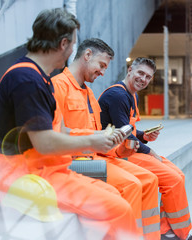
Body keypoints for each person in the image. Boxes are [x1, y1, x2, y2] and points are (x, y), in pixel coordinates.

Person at [0, 8, 140, 239]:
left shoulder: (38, 78)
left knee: (115, 195)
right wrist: (93, 141)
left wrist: (98, 140)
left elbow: (60, 131)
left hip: (48, 171)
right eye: (73, 44)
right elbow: (44, 143)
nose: (72, 51)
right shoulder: (27, 80)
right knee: (119, 209)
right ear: (64, 44)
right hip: (29, 180)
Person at [51, 38, 160, 239]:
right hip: (74, 162)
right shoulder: (58, 87)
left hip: (98, 157)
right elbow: (55, 134)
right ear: (87, 55)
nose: (103, 72)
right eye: (101, 65)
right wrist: (96, 138)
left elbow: (101, 137)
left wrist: (121, 150)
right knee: (131, 185)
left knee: (150, 180)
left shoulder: (90, 94)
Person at [99, 57, 192, 240]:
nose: (143, 79)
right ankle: (180, 235)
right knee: (173, 180)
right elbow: (124, 136)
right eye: (140, 73)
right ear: (130, 70)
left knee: (179, 176)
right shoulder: (118, 95)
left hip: (128, 149)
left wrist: (143, 136)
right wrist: (149, 150)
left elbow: (129, 130)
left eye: (148, 77)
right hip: (116, 153)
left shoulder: (131, 95)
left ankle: (168, 231)